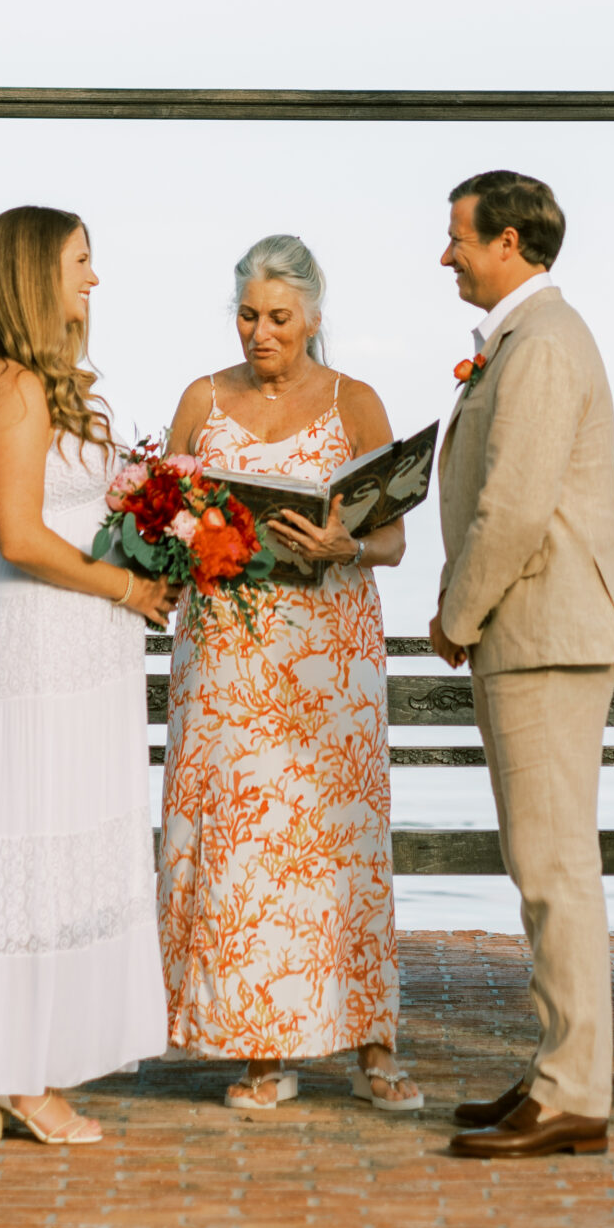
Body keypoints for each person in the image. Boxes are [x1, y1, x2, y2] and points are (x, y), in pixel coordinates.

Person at [0, 205, 172, 1144]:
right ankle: (14, 1071)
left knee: (67, 844)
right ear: (32, 276)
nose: (93, 281)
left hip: (80, 644)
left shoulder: (50, 388)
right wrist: (125, 586)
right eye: (80, 262)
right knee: (27, 842)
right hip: (32, 641)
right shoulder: (14, 389)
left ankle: (20, 1067)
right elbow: (22, 537)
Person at [159, 234, 421, 1114]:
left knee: (339, 849)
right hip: (227, 658)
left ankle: (372, 1041)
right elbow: (165, 515)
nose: (259, 333)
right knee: (247, 855)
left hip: (328, 660)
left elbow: (394, 534)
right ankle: (264, 1045)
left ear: (312, 314)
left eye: (277, 317)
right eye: (247, 315)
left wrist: (350, 540)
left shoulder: (357, 401)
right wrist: (186, 533)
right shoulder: (202, 398)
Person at [430, 170, 614, 1161]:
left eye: (458, 237)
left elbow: (512, 506)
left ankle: (573, 1092)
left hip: (543, 631)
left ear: (508, 242)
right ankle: (561, 1066)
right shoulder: (526, 340)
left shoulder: (544, 346)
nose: (447, 254)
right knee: (543, 864)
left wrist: (458, 612)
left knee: (555, 868)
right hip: (539, 630)